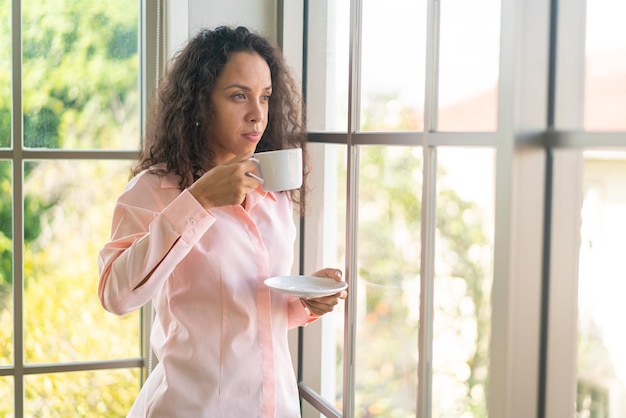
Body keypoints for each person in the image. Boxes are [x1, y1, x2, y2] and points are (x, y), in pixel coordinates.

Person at [97, 26, 347, 417]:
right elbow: (116, 295)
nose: (257, 114)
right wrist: (197, 201)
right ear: (200, 102)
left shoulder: (273, 192)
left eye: (265, 97)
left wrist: (307, 302)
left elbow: (253, 310)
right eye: (238, 96)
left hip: (276, 405)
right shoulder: (155, 190)